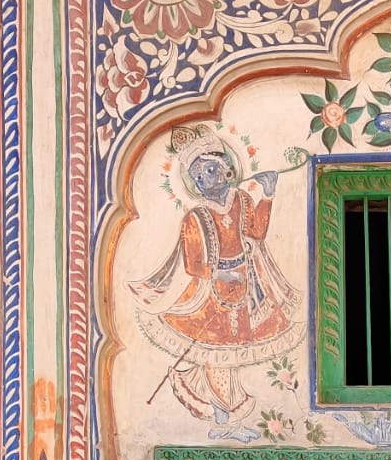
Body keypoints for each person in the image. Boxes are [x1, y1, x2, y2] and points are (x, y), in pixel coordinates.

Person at [130, 123, 304, 441]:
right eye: (198, 177)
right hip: (211, 293)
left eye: (209, 171)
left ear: (225, 169)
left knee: (229, 358)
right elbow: (193, 263)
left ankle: (225, 418)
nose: (204, 180)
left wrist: (268, 194)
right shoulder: (195, 217)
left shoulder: (241, 201)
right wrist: (218, 274)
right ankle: (225, 423)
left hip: (243, 288)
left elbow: (255, 233)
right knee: (216, 358)